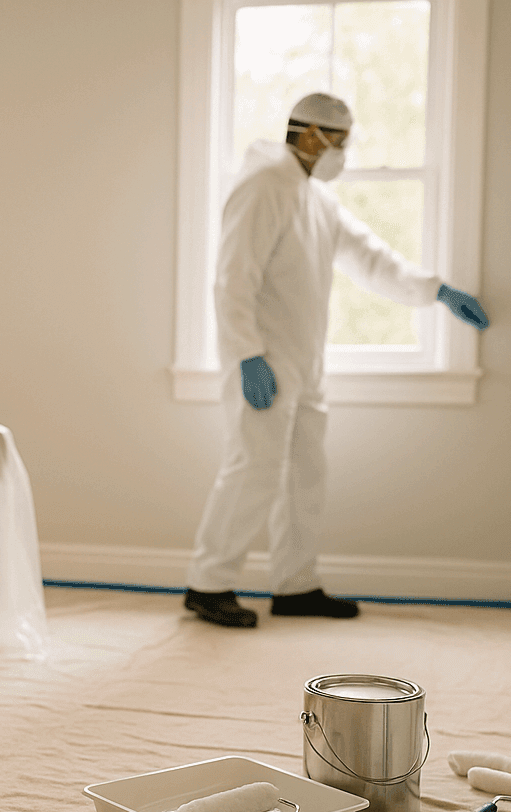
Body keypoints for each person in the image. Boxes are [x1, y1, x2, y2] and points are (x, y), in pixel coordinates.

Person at [184, 92, 489, 629]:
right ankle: (209, 584)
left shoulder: (315, 199)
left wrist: (436, 290)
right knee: (253, 469)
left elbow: (369, 258)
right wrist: (248, 356)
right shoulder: (263, 186)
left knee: (305, 474)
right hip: (265, 358)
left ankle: (295, 584)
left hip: (305, 361)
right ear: (308, 136)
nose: (343, 155)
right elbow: (233, 279)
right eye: (339, 143)